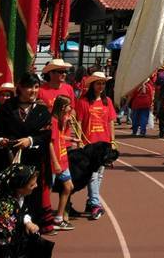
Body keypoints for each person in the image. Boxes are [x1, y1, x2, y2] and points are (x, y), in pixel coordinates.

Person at [0, 73, 53, 230]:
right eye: (29, 87)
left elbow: (45, 136)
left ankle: (30, 232)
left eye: (36, 87)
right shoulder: (6, 109)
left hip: (32, 165)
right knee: (7, 201)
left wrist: (30, 141)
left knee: (31, 200)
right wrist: (0, 141)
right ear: (20, 88)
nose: (33, 91)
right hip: (6, 164)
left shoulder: (42, 111)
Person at [0, 164, 54, 258]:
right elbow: (3, 240)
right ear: (19, 187)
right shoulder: (4, 206)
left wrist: (27, 222)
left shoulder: (19, 196)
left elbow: (22, 212)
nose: (36, 186)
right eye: (32, 185)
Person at [75, 71, 115, 219]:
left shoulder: (107, 101)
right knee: (92, 175)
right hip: (89, 144)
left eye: (103, 83)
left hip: (103, 144)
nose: (101, 86)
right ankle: (95, 203)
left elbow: (111, 122)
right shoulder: (84, 101)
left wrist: (113, 142)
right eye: (98, 83)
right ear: (92, 85)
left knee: (100, 175)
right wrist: (79, 139)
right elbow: (78, 121)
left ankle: (90, 203)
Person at [48, 95, 75, 231]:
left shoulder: (60, 121)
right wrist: (55, 163)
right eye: (69, 106)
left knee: (69, 186)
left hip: (63, 160)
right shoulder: (52, 121)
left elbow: (59, 137)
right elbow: (51, 143)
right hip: (56, 162)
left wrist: (71, 138)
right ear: (63, 107)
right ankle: (45, 219)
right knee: (47, 190)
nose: (71, 108)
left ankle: (58, 217)